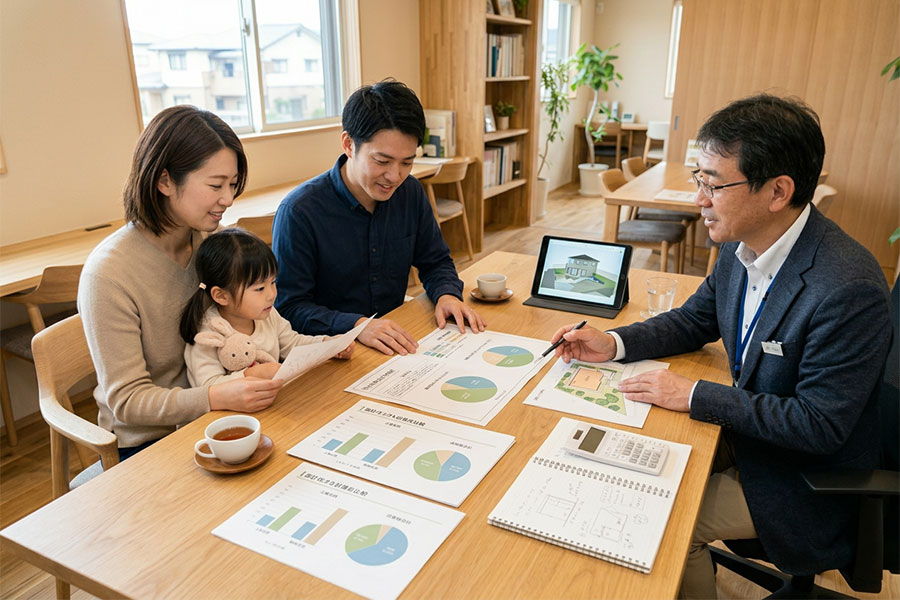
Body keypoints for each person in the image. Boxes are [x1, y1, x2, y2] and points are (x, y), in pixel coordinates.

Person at [549, 94, 891, 599]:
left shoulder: (847, 287)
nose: (699, 200)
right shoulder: (741, 243)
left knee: (666, 526)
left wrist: (693, 396)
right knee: (610, 464)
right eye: (698, 179)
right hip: (751, 435)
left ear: (778, 191)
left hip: (804, 473)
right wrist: (614, 342)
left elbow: (818, 426)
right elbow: (694, 319)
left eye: (713, 184)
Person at [78, 105, 283, 462]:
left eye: (232, 185)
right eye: (216, 185)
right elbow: (128, 402)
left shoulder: (211, 244)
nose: (228, 199)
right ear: (165, 181)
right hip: (150, 442)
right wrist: (217, 396)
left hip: (219, 411)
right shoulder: (108, 274)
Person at [272, 79, 485, 356]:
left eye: (407, 162)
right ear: (349, 144)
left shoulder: (410, 193)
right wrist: (358, 325)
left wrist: (446, 294)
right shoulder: (300, 212)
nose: (395, 177)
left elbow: (435, 261)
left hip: (395, 342)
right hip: (331, 352)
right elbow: (289, 308)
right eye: (382, 161)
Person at [180, 228, 353, 387]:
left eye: (273, 282)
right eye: (260, 289)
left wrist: (327, 345)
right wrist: (250, 374)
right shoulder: (208, 334)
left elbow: (292, 343)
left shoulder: (266, 313)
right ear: (221, 295)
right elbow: (208, 387)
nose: (272, 294)